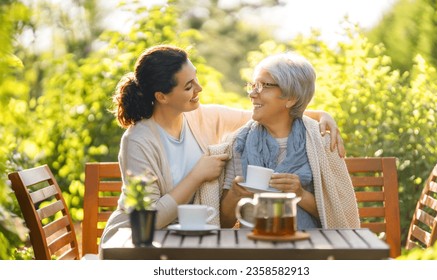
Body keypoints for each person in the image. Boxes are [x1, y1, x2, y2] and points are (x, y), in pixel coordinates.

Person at [101, 45, 345, 246]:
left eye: (195, 78)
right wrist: (197, 176)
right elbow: (146, 219)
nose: (199, 88)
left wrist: (321, 114)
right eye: (188, 86)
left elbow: (265, 113)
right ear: (162, 96)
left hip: (188, 237)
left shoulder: (200, 116)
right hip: (136, 240)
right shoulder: (138, 141)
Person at [220, 52, 360, 229]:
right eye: (253, 85)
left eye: (264, 86)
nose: (252, 94)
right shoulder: (240, 142)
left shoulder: (321, 140)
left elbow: (339, 216)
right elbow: (224, 223)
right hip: (255, 247)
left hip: (310, 247)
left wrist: (299, 193)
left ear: (291, 98)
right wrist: (235, 194)